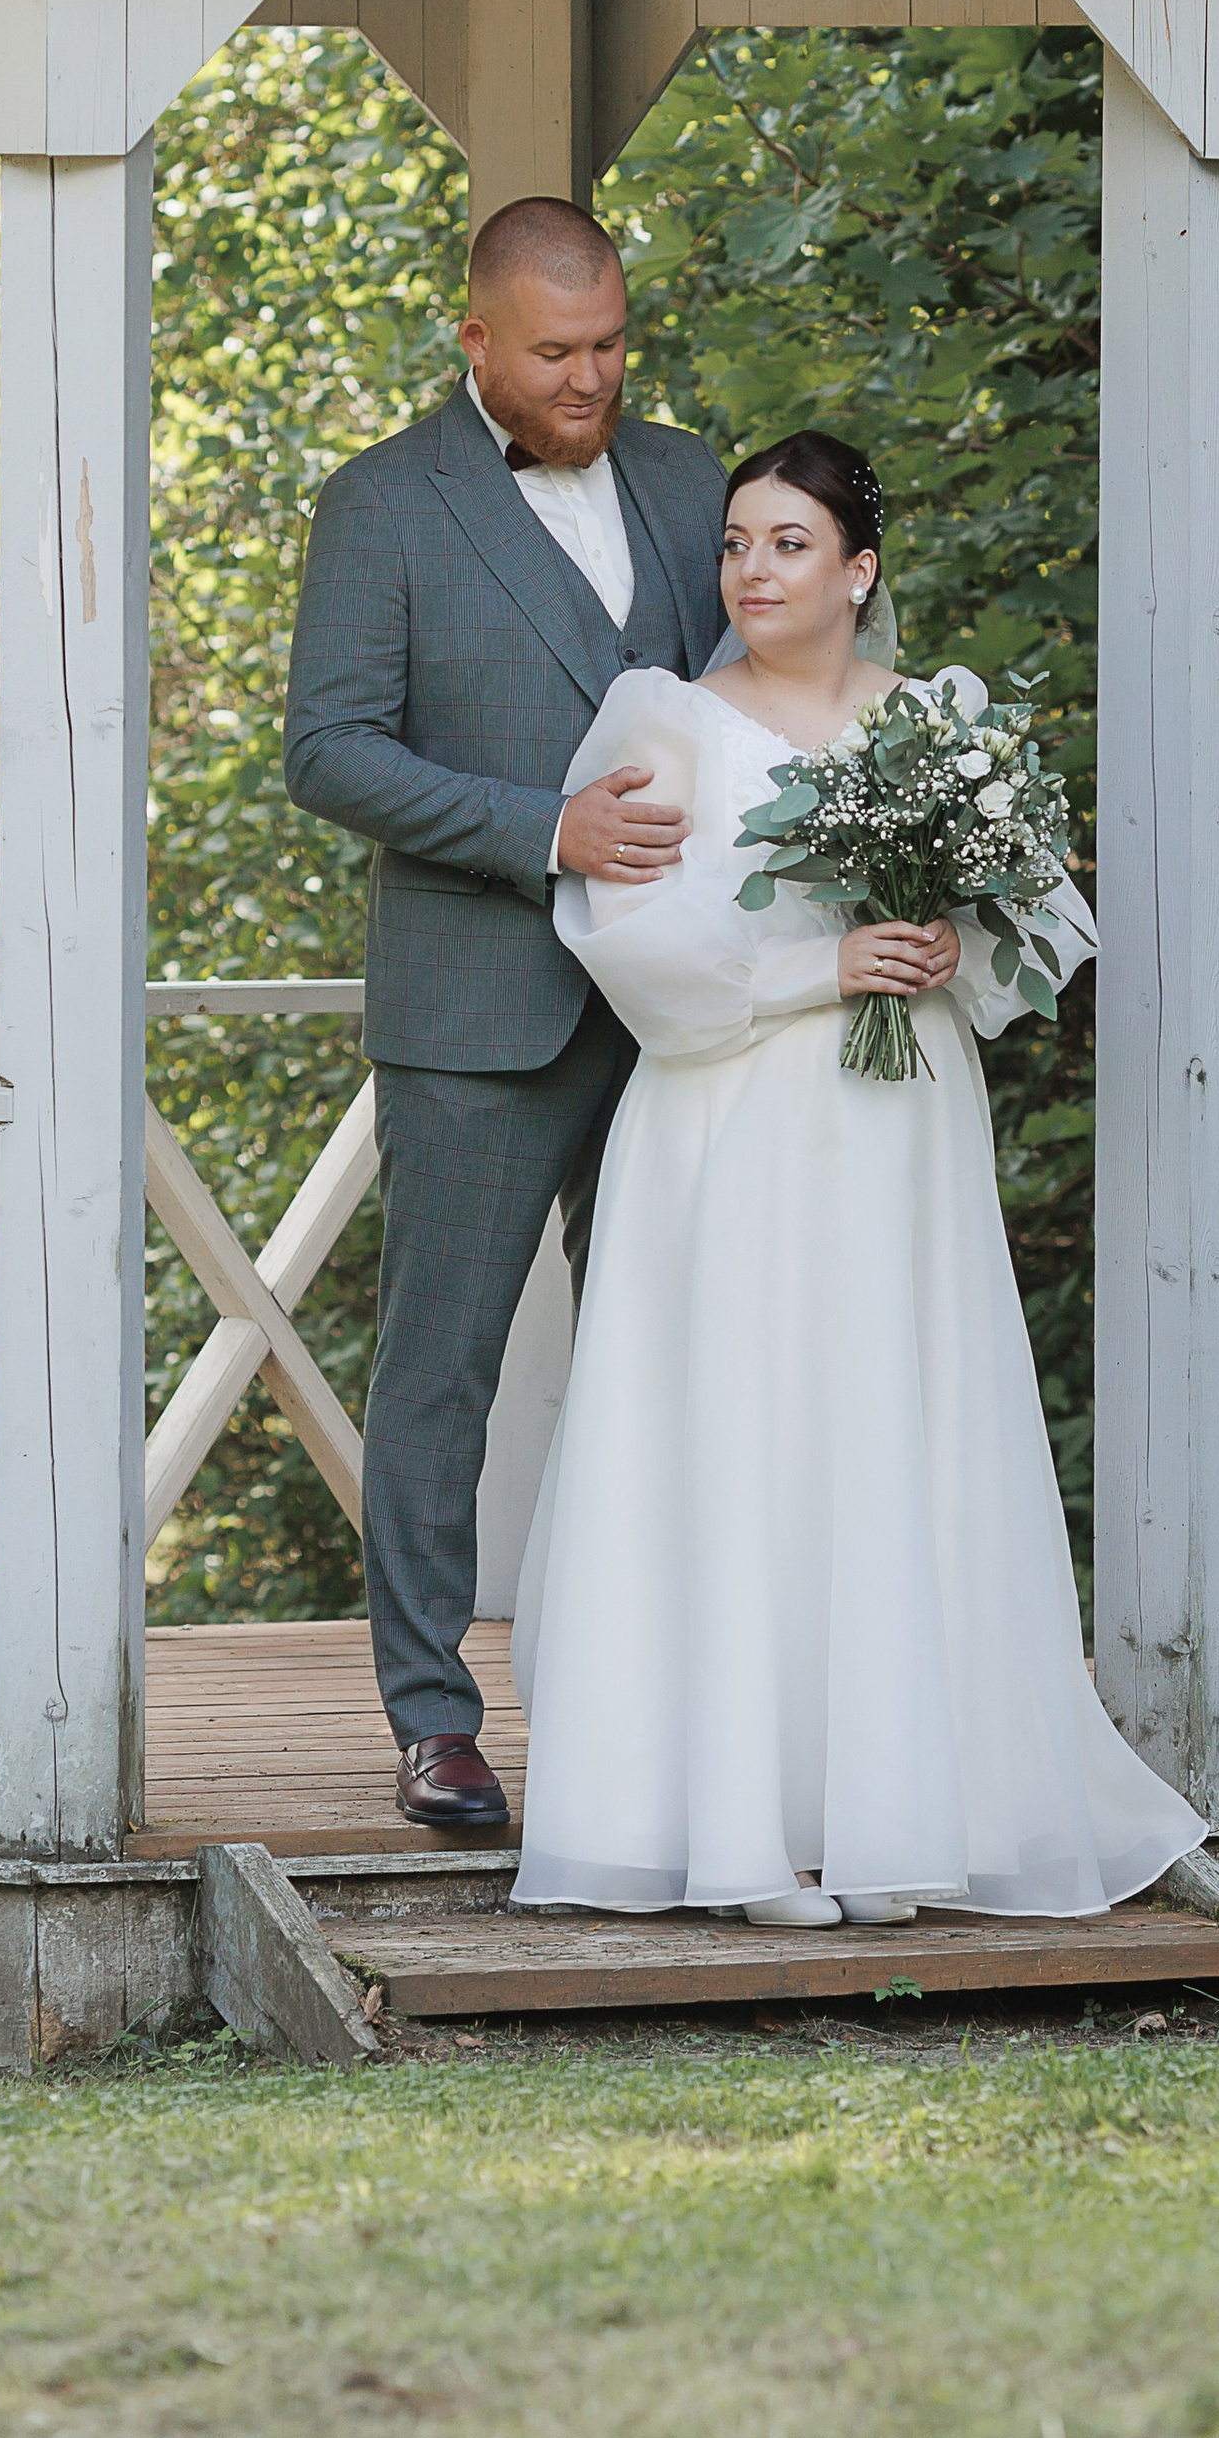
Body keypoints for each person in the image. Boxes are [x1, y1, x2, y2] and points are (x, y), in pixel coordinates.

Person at [510, 432, 1205, 1926]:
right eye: (738, 546)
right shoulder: (669, 719)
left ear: (860, 570)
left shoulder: (943, 723)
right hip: (734, 1123)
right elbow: (627, 942)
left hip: (900, 1130)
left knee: (897, 1424)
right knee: (747, 1433)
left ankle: (897, 1816)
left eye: (789, 546)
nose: (752, 573)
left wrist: (952, 936)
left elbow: (1039, 933)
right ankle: (741, 1832)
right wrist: (820, 963)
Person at [282, 196, 729, 1829]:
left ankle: (671, 1690)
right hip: (478, 1008)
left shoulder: (695, 481)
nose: (593, 378)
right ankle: (433, 1718)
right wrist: (547, 828)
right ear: (474, 338)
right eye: (557, 352)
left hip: (685, 1010)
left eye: (613, 343)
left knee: (680, 1357)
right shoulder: (383, 504)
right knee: (439, 1373)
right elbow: (329, 750)